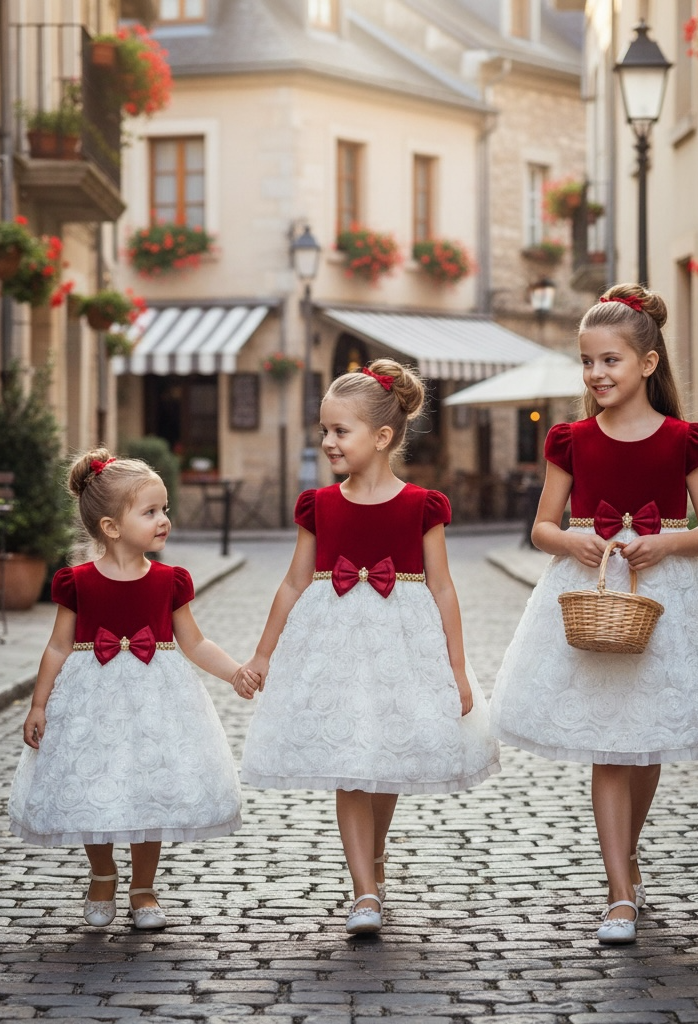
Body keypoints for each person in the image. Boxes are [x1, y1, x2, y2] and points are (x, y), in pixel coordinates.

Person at [489, 284, 698, 946]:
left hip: (667, 594)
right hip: (593, 587)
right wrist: (572, 540)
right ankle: (619, 891)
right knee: (610, 747)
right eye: (588, 362)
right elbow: (542, 528)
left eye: (610, 360)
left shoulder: (682, 440)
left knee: (645, 746)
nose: (597, 374)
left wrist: (666, 541)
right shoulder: (572, 439)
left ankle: (629, 858)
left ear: (647, 363)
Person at [236, 359, 500, 936]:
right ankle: (364, 889)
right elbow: (292, 582)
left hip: (400, 650)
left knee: (384, 762)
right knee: (350, 764)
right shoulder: (318, 506)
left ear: (382, 437)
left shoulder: (423, 506)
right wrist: (262, 655)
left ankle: (374, 863)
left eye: (340, 431)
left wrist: (457, 670)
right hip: (332, 650)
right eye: (324, 430)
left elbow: (442, 587)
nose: (327, 442)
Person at [8, 448, 257, 930]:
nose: (164, 520)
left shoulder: (170, 581)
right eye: (150, 512)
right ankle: (102, 873)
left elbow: (195, 642)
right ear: (111, 527)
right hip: (91, 701)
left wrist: (234, 672)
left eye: (164, 510)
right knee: (92, 785)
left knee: (150, 788)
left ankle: (144, 888)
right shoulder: (76, 582)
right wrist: (39, 704)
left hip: (154, 701)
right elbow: (58, 647)